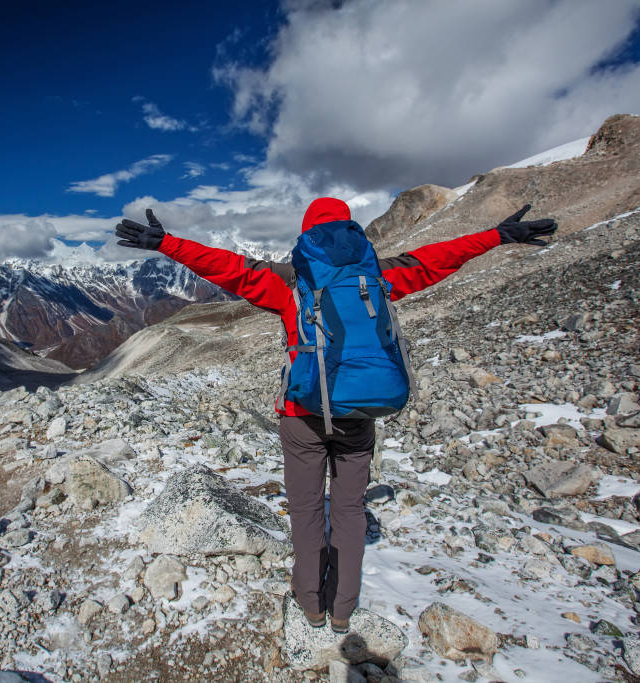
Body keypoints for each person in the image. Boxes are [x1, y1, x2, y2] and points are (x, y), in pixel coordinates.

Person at [115, 197, 557, 632]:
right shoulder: (380, 274)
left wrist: (168, 244)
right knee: (348, 510)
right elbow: (437, 259)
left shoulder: (290, 280)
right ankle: (343, 608)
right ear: (350, 230)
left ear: (307, 234)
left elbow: (227, 267)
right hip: (359, 413)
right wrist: (497, 236)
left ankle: (310, 604)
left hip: (302, 413)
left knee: (308, 510)